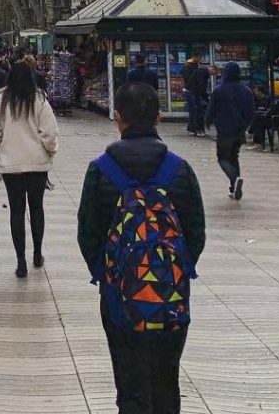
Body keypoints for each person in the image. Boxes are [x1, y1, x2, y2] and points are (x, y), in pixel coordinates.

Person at [78, 82, 205, 414]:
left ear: (118, 118)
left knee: (130, 381)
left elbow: (87, 234)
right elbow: (196, 233)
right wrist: (172, 269)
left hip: (120, 295)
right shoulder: (179, 169)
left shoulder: (100, 170)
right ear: (158, 118)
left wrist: (108, 274)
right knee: (166, 380)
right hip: (171, 295)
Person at [0, 61, 59, 278]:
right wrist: (50, 151)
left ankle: (20, 261)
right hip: (37, 164)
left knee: (17, 211)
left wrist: (0, 151)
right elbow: (50, 133)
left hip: (12, 165)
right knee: (37, 209)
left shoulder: (1, 102)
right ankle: (37, 252)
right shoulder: (40, 101)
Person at [205, 62, 255, 200]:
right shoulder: (246, 90)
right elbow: (251, 112)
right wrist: (246, 125)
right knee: (234, 156)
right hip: (240, 130)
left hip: (225, 129)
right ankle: (234, 188)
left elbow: (211, 109)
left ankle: (235, 178)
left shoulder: (219, 90)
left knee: (223, 158)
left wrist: (207, 121)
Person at [183, 56, 209, 135]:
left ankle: (191, 128)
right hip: (192, 91)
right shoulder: (198, 69)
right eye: (199, 58)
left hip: (190, 90)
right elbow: (201, 84)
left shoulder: (193, 67)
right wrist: (204, 96)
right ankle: (197, 129)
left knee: (193, 111)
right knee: (196, 111)